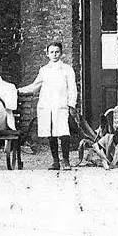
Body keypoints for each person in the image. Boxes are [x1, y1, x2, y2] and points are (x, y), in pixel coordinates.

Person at [19, 42, 77, 170]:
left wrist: (71, 104)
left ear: (61, 53)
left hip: (61, 105)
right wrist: (19, 90)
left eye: (57, 52)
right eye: (51, 52)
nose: (54, 54)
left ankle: (66, 161)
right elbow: (35, 86)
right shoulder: (44, 70)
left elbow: (72, 88)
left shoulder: (67, 69)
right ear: (47, 54)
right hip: (47, 105)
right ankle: (55, 161)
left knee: (63, 132)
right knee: (51, 134)